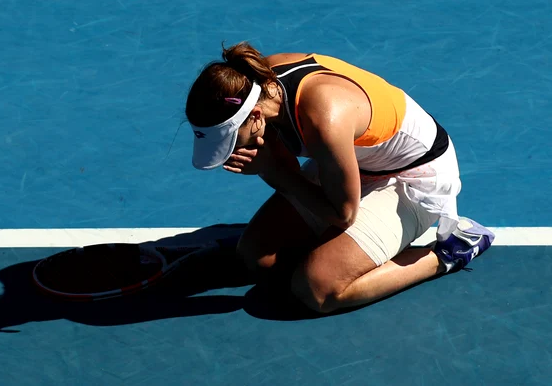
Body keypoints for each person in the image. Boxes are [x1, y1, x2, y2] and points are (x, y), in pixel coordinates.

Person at [185, 42, 495, 314]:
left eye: (230, 140)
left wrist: (275, 171)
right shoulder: (257, 83)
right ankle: (347, 251)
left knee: (317, 289)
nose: (231, 150)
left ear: (254, 117)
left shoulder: (325, 116)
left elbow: (342, 215)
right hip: (351, 162)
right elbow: (290, 167)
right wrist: (277, 170)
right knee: (257, 259)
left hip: (413, 178)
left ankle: (448, 252)